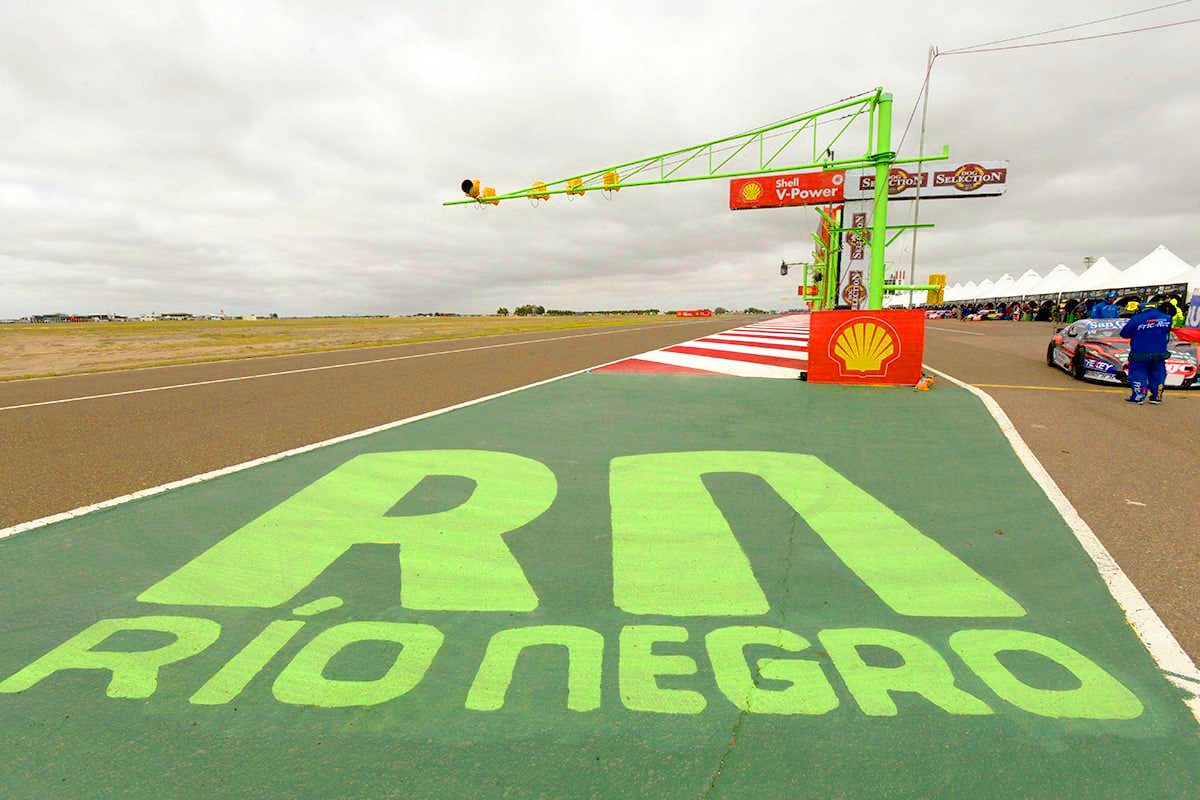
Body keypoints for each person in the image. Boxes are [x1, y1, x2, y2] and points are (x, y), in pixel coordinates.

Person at [1119, 301, 1174, 405]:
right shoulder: (1167, 318)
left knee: (1138, 374)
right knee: (1158, 374)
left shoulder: (1136, 319)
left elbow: (1124, 334)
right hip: (1159, 353)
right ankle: (1157, 397)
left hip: (1140, 353)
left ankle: (1138, 396)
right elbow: (1167, 331)